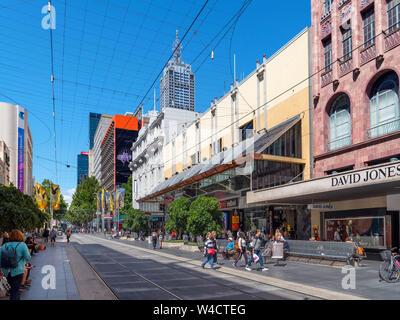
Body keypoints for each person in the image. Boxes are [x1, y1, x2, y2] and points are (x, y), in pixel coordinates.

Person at [0, 230, 31, 300]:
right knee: (14, 291)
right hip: (18, 271)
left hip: (6, 272)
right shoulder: (22, 245)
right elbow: (28, 257)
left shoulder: (4, 245)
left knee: (15, 290)